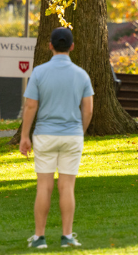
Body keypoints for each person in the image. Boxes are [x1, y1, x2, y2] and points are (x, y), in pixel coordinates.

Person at [19, 27, 93, 248]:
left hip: (45, 135)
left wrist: (25, 136)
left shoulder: (40, 73)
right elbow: (88, 110)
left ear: (50, 45)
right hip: (72, 135)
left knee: (44, 186)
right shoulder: (81, 74)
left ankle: (39, 237)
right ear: (71, 46)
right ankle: (67, 236)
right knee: (67, 186)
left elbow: (31, 105)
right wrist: (80, 130)